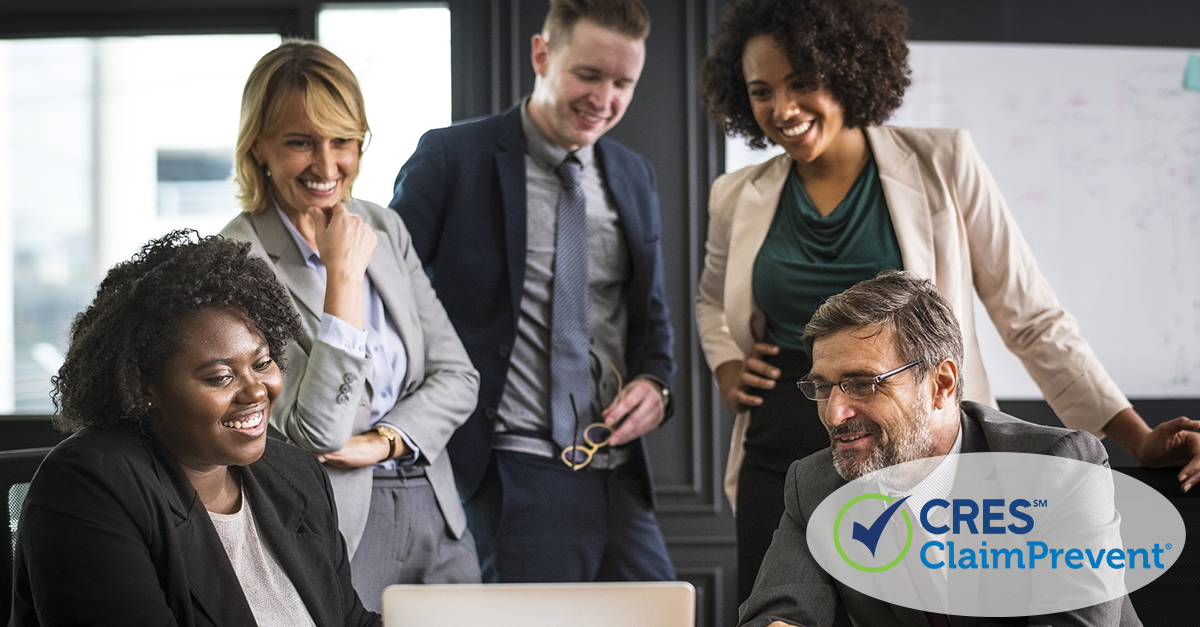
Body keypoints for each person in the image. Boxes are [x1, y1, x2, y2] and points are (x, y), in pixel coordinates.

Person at [695, 0, 1200, 603]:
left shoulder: (943, 163)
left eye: (803, 83)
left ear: (851, 68)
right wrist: (727, 364)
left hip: (918, 451)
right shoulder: (735, 194)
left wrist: (1136, 438)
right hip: (780, 451)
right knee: (782, 608)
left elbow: (1031, 318)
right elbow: (710, 302)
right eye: (761, 91)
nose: (783, 109)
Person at [389, 0, 675, 583]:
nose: (605, 100)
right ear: (541, 54)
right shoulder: (450, 158)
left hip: (619, 475)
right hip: (509, 470)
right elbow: (388, 299)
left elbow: (652, 315)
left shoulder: (633, 174)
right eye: (589, 75)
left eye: (623, 82)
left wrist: (657, 386)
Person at [220, 40, 481, 609]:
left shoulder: (383, 228)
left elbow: (458, 377)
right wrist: (343, 278)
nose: (327, 164)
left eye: (343, 141)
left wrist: (384, 441)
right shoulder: (237, 259)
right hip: (336, 519)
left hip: (435, 506)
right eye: (300, 143)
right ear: (259, 147)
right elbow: (316, 431)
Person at [10, 231, 380, 627]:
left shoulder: (297, 475)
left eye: (261, 363)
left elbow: (350, 620)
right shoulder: (85, 488)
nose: (256, 389)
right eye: (220, 377)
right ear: (145, 387)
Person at [739, 270, 1140, 627]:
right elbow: (777, 615)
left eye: (862, 383)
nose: (835, 413)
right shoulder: (816, 486)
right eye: (823, 388)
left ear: (941, 384)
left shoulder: (1057, 470)